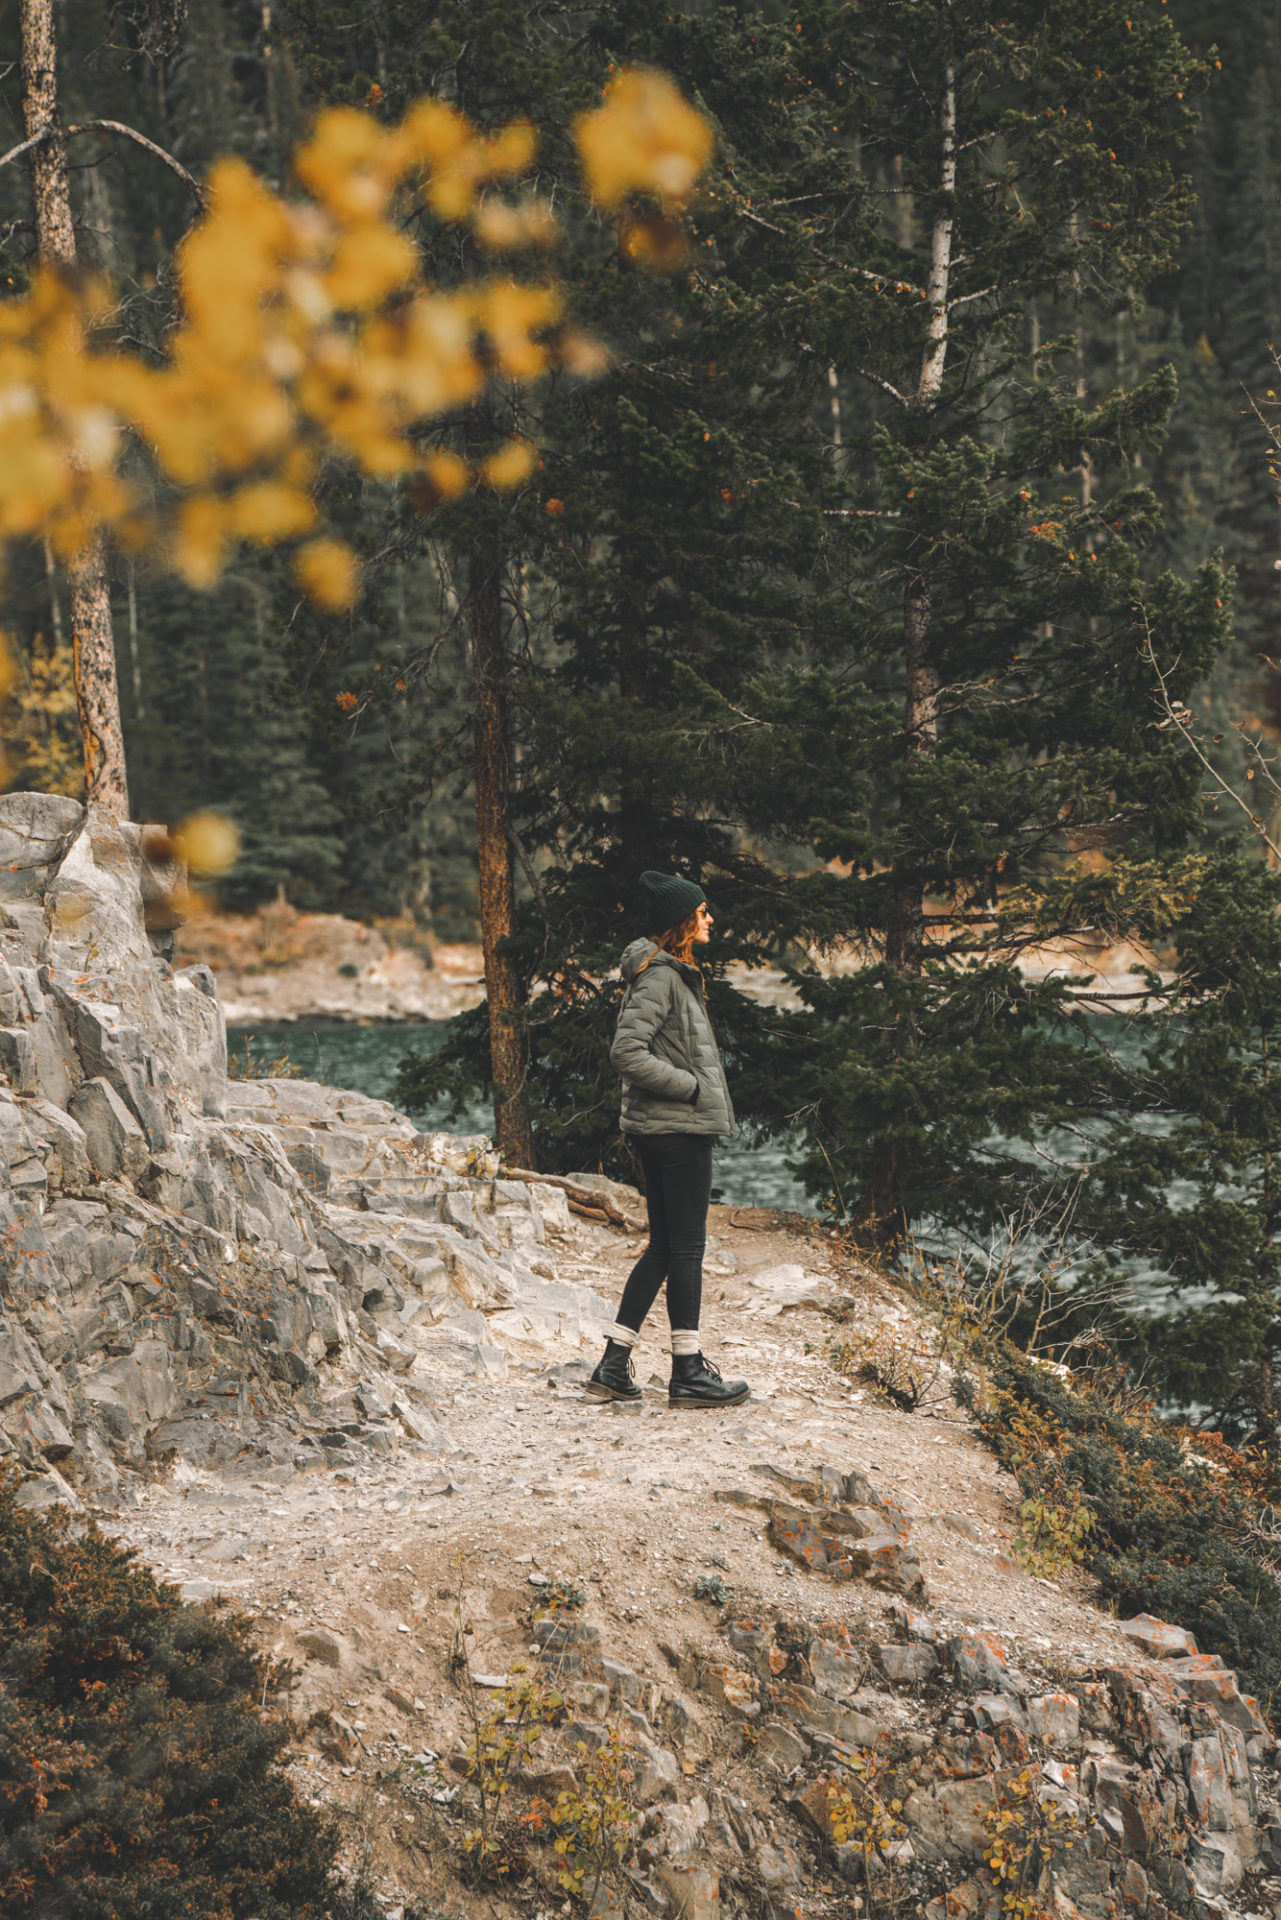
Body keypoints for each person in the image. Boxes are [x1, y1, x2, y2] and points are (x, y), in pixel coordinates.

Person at [586, 870, 749, 1408]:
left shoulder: (672, 974)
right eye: (702, 912)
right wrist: (692, 1088)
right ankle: (688, 1373)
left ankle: (612, 1367)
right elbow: (626, 1053)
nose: (710, 919)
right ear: (682, 920)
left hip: (665, 1129)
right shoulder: (660, 977)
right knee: (687, 1249)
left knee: (663, 1247)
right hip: (677, 1129)